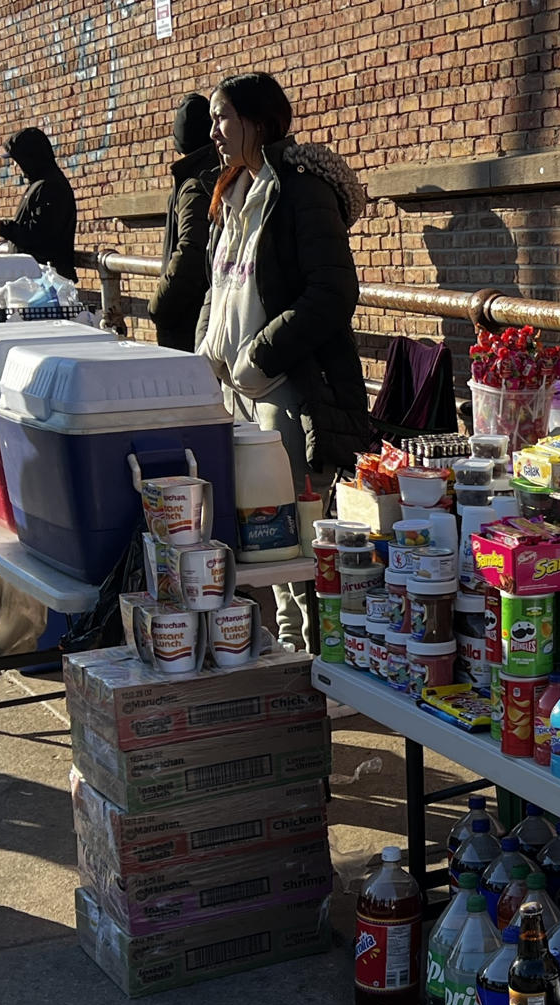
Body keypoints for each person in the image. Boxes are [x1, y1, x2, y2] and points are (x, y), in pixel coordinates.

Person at [197, 71, 375, 650]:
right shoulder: (233, 194)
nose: (214, 131)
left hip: (288, 396)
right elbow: (217, 290)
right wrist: (207, 351)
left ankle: (318, 669)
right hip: (234, 394)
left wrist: (258, 355)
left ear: (260, 120)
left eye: (223, 117)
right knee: (262, 543)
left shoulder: (299, 190)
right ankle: (290, 661)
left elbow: (332, 293)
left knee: (300, 546)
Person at [147, 94, 218, 351]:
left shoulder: (195, 184)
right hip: (196, 312)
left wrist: (159, 306)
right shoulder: (213, 173)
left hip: (186, 317)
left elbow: (190, 250)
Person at [0, 127, 77, 280]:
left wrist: (3, 228)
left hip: (45, 278)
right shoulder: (39, 185)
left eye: (16, 161)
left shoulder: (50, 187)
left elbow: (40, 235)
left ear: (29, 158)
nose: (15, 166)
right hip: (34, 275)